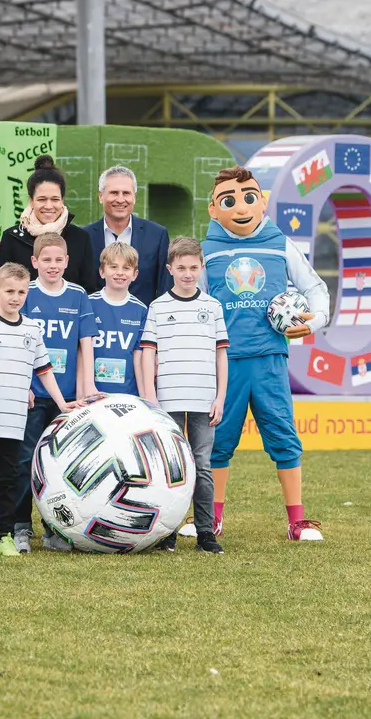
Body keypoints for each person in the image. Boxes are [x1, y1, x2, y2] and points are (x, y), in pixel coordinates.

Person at [201, 167, 329, 542]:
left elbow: (315, 287)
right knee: (219, 440)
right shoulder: (205, 252)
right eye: (229, 201)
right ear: (213, 209)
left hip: (271, 359)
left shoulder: (280, 244)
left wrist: (316, 319)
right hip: (224, 362)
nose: (240, 207)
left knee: (283, 436)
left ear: (263, 201)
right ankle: (212, 519)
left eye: (249, 198)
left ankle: (297, 521)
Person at [0, 262, 77, 558]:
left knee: (10, 478)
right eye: (9, 291)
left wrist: (62, 404)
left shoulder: (32, 328)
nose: (15, 297)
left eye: (22, 292)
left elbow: (45, 370)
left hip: (14, 419)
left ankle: (6, 536)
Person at [137, 236, 229, 554]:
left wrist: (220, 397)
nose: (187, 274)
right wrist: (151, 396)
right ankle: (167, 533)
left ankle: (205, 532)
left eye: (193, 268)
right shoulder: (159, 307)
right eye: (181, 268)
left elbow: (221, 355)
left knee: (202, 465)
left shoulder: (212, 307)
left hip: (204, 400)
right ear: (170, 269)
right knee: (168, 469)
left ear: (201, 268)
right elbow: (148, 353)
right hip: (168, 401)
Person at [13, 232, 96, 553]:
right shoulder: (27, 294)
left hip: (68, 400)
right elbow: (17, 343)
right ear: (34, 262)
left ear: (67, 262)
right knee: (24, 462)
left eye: (58, 259)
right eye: (45, 259)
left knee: (60, 466)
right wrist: (23, 385)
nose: (52, 265)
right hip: (33, 395)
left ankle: (55, 528)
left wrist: (86, 388)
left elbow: (85, 344)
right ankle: (21, 526)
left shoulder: (77, 296)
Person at [0, 155, 98, 293]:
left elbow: (89, 290)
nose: (49, 206)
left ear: (62, 200)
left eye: (55, 199)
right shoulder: (12, 238)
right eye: (42, 199)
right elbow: (3, 288)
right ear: (31, 201)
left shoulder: (80, 238)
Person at [85, 165, 171, 305]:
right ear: (101, 196)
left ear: (134, 197)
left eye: (126, 193)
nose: (120, 199)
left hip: (143, 323)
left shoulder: (157, 235)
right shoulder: (85, 237)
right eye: (114, 193)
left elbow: (164, 287)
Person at [87, 242, 148, 396]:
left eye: (126, 268)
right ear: (102, 271)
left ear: (135, 274)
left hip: (127, 395)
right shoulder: (87, 304)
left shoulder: (141, 310)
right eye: (113, 267)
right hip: (93, 394)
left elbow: (138, 357)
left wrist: (143, 397)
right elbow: (81, 351)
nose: (120, 272)